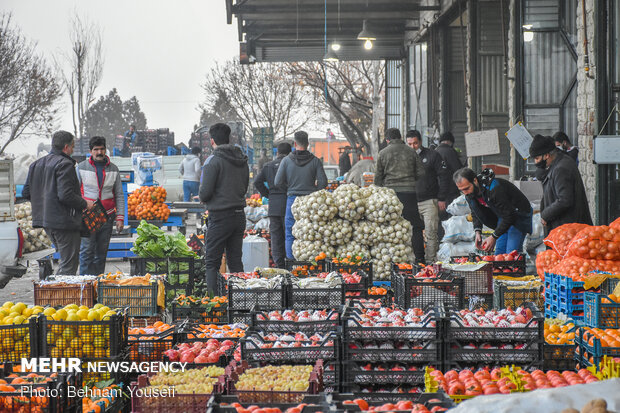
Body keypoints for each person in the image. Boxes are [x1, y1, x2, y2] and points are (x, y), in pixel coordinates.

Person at [23, 131, 94, 275]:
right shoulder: (65, 164)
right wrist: (85, 203)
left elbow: (26, 193)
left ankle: (54, 292)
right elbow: (65, 195)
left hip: (46, 222)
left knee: (65, 261)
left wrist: (45, 204)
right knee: (69, 265)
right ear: (66, 147)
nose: (73, 150)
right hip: (64, 223)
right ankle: (58, 295)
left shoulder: (36, 164)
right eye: (73, 147)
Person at [200, 123, 249, 292]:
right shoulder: (242, 159)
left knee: (212, 262)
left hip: (220, 216)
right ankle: (239, 298)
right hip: (239, 215)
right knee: (235, 260)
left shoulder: (212, 161)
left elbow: (205, 193)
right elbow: (245, 186)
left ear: (212, 141)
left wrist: (204, 197)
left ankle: (215, 302)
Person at [375, 128, 426, 263]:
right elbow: (421, 172)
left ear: (387, 140)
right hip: (409, 194)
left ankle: (392, 261)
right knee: (415, 226)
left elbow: (377, 179)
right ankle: (420, 259)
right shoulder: (411, 151)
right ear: (400, 137)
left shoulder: (383, 153)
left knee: (390, 226)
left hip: (390, 196)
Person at [453, 168, 533, 254]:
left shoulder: (494, 188)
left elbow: (510, 215)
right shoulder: (470, 194)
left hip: (518, 215)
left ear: (475, 181)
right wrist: (477, 231)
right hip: (503, 216)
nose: (465, 193)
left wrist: (494, 236)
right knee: (499, 254)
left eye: (467, 188)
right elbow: (475, 212)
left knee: (511, 254)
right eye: (462, 190)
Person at [275, 131, 328, 259]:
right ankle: (311, 261)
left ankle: (292, 261)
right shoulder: (315, 161)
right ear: (308, 144)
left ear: (294, 143)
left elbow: (277, 182)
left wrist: (289, 189)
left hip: (292, 200)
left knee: (290, 233)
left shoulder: (286, 161)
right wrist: (314, 191)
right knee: (312, 232)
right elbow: (323, 182)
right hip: (311, 202)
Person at [76, 137, 125, 275]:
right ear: (90, 151)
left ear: (105, 150)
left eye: (102, 149)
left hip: (107, 217)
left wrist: (120, 218)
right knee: (86, 253)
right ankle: (85, 287)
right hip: (88, 217)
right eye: (96, 149)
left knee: (101, 255)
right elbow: (75, 192)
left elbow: (119, 195)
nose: (99, 152)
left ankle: (98, 286)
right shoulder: (81, 168)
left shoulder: (113, 169)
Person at [529, 134, 592, 234]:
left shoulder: (561, 168)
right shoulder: (557, 164)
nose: (535, 162)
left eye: (537, 158)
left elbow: (565, 200)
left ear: (546, 155)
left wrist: (545, 215)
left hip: (568, 229)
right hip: (564, 227)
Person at [406, 130, 451, 263]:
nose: (412, 146)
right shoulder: (403, 158)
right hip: (410, 202)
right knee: (412, 233)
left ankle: (431, 261)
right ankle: (415, 261)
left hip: (429, 201)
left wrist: (442, 198)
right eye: (409, 144)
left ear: (420, 142)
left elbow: (444, 176)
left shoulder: (433, 155)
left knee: (431, 233)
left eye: (415, 143)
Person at [254, 142, 292, 268]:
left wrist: (268, 194)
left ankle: (279, 265)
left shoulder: (268, 166)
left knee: (276, 237)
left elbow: (257, 182)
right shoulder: (291, 164)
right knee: (289, 235)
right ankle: (291, 263)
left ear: (277, 153)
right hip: (289, 204)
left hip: (274, 205)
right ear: (289, 152)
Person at [434, 132, 463, 214]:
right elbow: (458, 170)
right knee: (452, 214)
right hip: (451, 191)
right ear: (450, 142)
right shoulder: (450, 152)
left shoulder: (434, 151)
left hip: (437, 191)